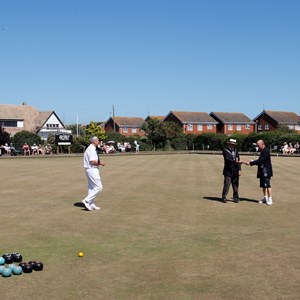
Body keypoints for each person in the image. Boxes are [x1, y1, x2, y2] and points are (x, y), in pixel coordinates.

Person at [246, 139, 273, 205]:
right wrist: (252, 162)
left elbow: (260, 161)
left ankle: (270, 199)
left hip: (266, 171)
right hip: (262, 170)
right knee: (263, 186)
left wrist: (251, 163)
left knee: (267, 185)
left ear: (262, 144)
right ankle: (265, 198)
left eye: (258, 145)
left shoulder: (265, 151)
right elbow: (260, 161)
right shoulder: (262, 151)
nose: (257, 146)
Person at [82, 136, 105, 211]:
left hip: (90, 169)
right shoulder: (91, 149)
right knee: (99, 187)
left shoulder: (91, 148)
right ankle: (86, 200)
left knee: (92, 188)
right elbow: (92, 161)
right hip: (92, 169)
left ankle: (91, 204)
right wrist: (101, 163)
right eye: (98, 140)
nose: (98, 141)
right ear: (94, 141)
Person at [221, 138, 242, 203]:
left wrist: (240, 169)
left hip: (235, 170)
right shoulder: (225, 150)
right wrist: (234, 161)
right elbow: (227, 159)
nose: (233, 145)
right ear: (229, 144)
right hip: (228, 170)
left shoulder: (236, 151)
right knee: (227, 184)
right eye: (232, 144)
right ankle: (224, 197)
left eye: (234, 144)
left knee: (235, 185)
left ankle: (236, 197)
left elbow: (238, 160)